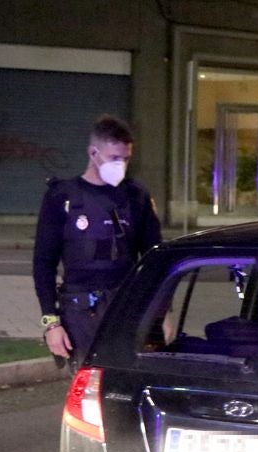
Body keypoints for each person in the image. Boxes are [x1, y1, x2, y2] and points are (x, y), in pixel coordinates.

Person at [33, 114, 162, 369]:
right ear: (93, 153)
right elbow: (43, 264)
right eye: (114, 158)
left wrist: (161, 315)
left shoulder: (135, 197)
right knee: (86, 391)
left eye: (126, 159)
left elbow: (154, 260)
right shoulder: (62, 197)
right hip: (79, 313)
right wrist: (51, 323)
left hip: (126, 310)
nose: (121, 165)